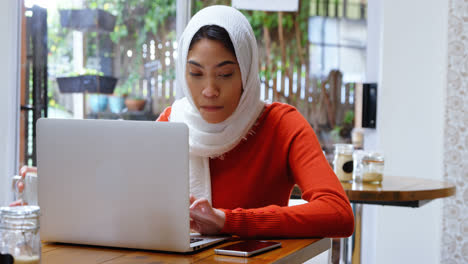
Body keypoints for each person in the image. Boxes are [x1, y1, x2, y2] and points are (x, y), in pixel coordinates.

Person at [14, 5, 354, 238]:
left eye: (225, 74)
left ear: (247, 74)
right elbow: (122, 196)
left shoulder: (282, 125)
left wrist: (228, 220)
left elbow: (337, 214)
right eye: (195, 74)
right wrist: (49, 192)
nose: (208, 90)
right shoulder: (173, 123)